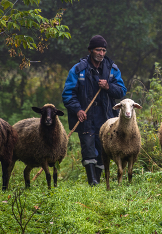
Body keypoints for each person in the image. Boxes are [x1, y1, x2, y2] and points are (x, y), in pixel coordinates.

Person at [62, 35, 127, 186]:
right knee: (88, 145)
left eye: (104, 50)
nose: (101, 53)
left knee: (102, 148)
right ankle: (92, 181)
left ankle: (97, 179)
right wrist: (77, 109)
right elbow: (68, 94)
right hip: (85, 116)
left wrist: (108, 87)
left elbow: (122, 91)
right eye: (98, 50)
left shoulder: (112, 69)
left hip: (106, 117)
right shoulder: (78, 70)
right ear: (90, 50)